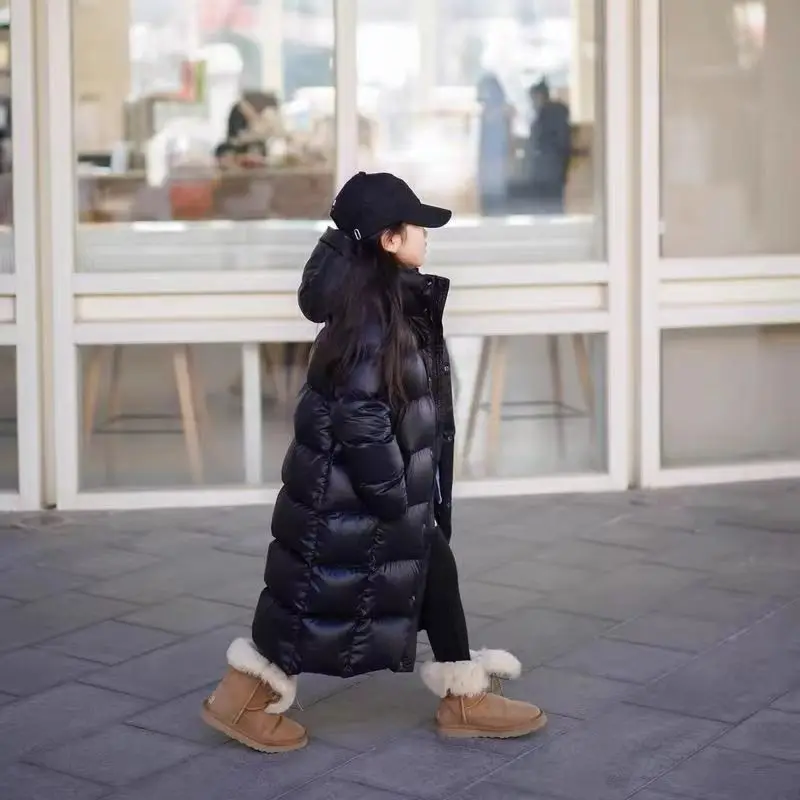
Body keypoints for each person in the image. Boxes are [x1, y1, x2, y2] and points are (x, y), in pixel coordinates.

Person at [200, 171, 547, 753]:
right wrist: (392, 493)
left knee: (422, 568)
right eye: (418, 227)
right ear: (388, 239)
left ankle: (463, 697)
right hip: (356, 494)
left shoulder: (377, 300)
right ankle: (242, 698)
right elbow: (359, 413)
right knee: (313, 597)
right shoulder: (372, 317)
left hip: (355, 491)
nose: (426, 237)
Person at [525, 78, 572, 214]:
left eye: (533, 99)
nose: (532, 103)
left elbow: (537, 143)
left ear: (539, 96)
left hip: (545, 173)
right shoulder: (556, 116)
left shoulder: (545, 117)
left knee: (544, 210)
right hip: (555, 172)